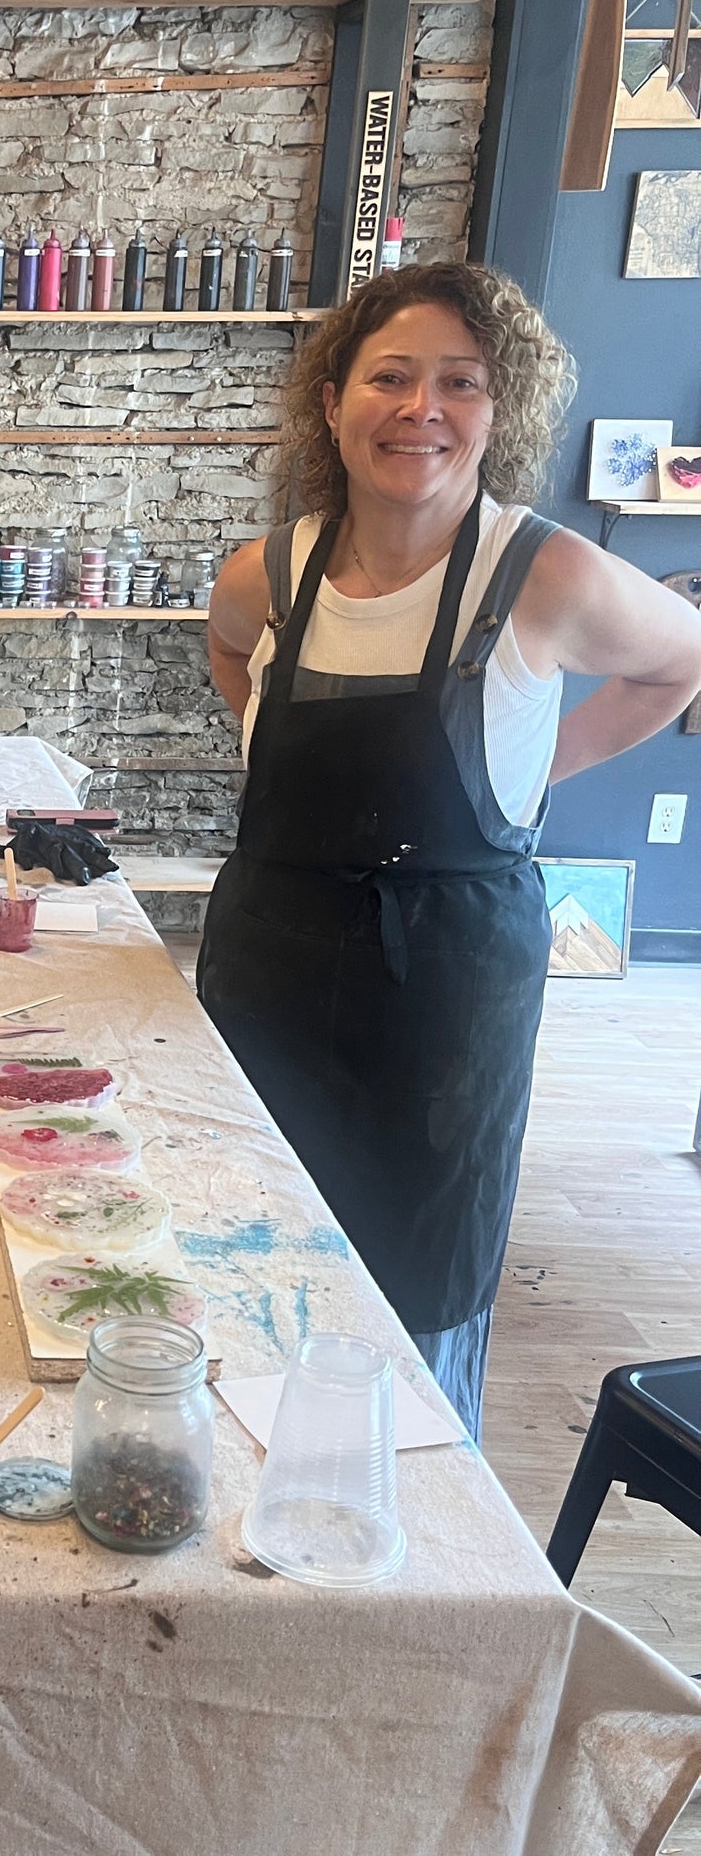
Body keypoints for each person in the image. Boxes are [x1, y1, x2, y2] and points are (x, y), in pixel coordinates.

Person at [200, 261, 701, 1439]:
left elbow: (678, 661)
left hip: (447, 991)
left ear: (497, 407)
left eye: (458, 382)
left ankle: (413, 1531)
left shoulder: (542, 573)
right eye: (388, 376)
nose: (419, 407)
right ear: (331, 402)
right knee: (247, 1250)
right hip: (268, 961)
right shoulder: (265, 572)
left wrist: (530, 777)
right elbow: (227, 655)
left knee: (417, 1282)